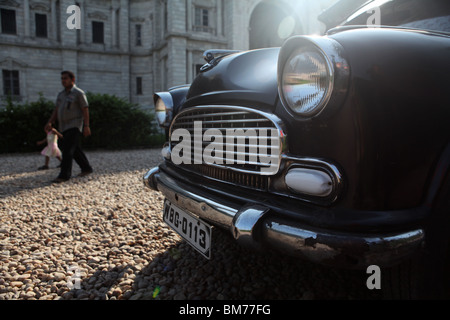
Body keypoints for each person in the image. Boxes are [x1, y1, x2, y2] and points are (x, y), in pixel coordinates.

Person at [45, 70, 93, 183]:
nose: (63, 81)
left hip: (75, 125)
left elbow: (85, 109)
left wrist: (86, 126)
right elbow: (56, 110)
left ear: (73, 79)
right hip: (63, 126)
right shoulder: (61, 95)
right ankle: (86, 168)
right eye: (62, 78)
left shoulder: (78, 93)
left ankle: (64, 175)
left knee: (67, 150)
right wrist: (50, 122)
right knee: (74, 148)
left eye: (65, 78)